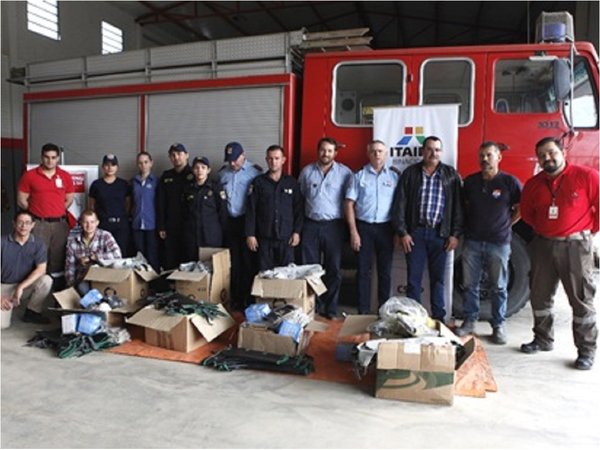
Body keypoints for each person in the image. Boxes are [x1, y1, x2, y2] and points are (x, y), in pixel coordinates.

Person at [520, 137, 598, 370]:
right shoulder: (534, 184)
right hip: (543, 245)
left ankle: (586, 351)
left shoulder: (586, 176)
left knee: (581, 299)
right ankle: (543, 339)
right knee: (539, 296)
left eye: (551, 153)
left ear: (562, 151)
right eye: (542, 155)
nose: (547, 158)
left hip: (575, 246)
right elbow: (527, 214)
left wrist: (585, 232)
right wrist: (546, 231)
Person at [455, 142, 522, 344]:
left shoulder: (510, 182)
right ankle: (469, 321)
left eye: (489, 155)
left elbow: (520, 208)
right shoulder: (471, 182)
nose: (485, 159)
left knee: (499, 286)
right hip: (473, 241)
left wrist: (506, 225)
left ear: (498, 157)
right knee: (470, 285)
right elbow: (464, 207)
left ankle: (498, 325)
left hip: (499, 243)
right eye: (482, 155)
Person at [391, 135, 463, 322]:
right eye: (430, 149)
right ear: (423, 151)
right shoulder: (411, 173)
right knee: (413, 280)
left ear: (441, 152)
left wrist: (454, 234)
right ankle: (413, 319)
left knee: (438, 280)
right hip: (415, 234)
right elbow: (400, 204)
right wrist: (403, 232)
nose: (433, 153)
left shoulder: (451, 175)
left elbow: (458, 207)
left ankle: (439, 318)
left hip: (441, 235)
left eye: (437, 149)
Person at [299, 137, 353, 319]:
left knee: (334, 270)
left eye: (330, 151)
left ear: (335, 153)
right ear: (318, 151)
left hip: (334, 227)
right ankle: (314, 305)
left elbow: (350, 201)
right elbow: (300, 199)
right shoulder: (306, 172)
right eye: (323, 150)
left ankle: (330, 307)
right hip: (310, 225)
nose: (326, 154)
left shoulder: (345, 173)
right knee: (310, 269)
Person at [345, 140, 399, 314]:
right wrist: (354, 232)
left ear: (386, 154)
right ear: (368, 154)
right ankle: (363, 311)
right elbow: (348, 204)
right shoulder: (358, 176)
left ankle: (383, 311)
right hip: (364, 229)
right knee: (363, 272)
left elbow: (399, 206)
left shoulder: (394, 177)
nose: (377, 154)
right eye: (374, 151)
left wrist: (398, 231)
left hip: (386, 228)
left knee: (385, 272)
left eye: (380, 151)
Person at [17, 142, 74, 275]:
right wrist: (37, 213)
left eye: (53, 157)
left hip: (60, 224)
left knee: (58, 257)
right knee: (36, 256)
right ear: (41, 157)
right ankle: (36, 288)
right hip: (38, 224)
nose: (50, 160)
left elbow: (69, 199)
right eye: (47, 157)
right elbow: (21, 200)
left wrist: (56, 211)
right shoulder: (29, 176)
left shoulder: (65, 176)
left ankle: (56, 289)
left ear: (58, 158)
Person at [218, 142, 262, 309]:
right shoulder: (223, 174)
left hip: (247, 222)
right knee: (233, 263)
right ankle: (235, 298)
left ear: (243, 155)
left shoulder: (255, 172)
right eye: (229, 160)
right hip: (230, 223)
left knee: (248, 262)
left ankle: (249, 299)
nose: (232, 163)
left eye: (235, 159)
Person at [246, 145, 303, 271]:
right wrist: (250, 234)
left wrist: (297, 232)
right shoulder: (258, 183)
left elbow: (298, 209)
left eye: (277, 158)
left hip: (286, 239)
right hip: (264, 239)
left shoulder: (292, 183)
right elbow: (251, 210)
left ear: (283, 160)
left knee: (287, 274)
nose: (273, 162)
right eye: (270, 159)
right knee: (265, 274)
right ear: (266, 160)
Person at [1, 211, 53, 327]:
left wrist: (20, 287)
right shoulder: (2, 242)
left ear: (33, 225)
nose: (24, 226)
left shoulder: (38, 244)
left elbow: (41, 269)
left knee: (46, 280)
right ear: (14, 224)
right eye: (20, 222)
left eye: (27, 223)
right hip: (3, 287)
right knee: (2, 325)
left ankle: (32, 312)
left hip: (24, 286)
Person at [65, 209, 122, 295]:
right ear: (80, 223)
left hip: (104, 278)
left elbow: (117, 255)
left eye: (92, 222)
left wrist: (95, 257)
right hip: (84, 278)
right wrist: (71, 287)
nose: (89, 225)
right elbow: (69, 267)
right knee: (82, 288)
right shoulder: (73, 242)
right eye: (85, 222)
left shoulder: (105, 236)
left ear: (97, 223)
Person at [182, 156, 228, 261]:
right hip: (192, 236)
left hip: (211, 236)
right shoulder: (188, 189)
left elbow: (222, 212)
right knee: (193, 268)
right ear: (193, 170)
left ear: (208, 170)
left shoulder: (216, 188)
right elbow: (184, 212)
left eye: (203, 167)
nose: (200, 171)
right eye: (196, 168)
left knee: (211, 267)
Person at [156, 143, 193, 270]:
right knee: (169, 258)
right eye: (173, 155)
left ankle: (186, 288)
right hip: (170, 226)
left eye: (179, 154)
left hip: (189, 226)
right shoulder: (166, 176)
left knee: (188, 259)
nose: (176, 157)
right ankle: (169, 288)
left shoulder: (195, 175)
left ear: (186, 155)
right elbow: (160, 202)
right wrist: (161, 225)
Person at [88, 154, 131, 256]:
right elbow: (91, 206)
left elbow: (128, 204)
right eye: (107, 165)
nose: (110, 168)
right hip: (103, 225)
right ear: (103, 167)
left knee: (121, 253)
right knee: (103, 253)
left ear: (117, 167)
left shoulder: (124, 184)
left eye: (113, 165)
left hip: (120, 225)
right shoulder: (96, 185)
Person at [131, 151, 159, 271]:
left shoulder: (156, 182)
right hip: (137, 224)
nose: (143, 165)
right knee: (139, 256)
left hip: (151, 224)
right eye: (140, 163)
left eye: (146, 162)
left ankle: (154, 285)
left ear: (151, 163)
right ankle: (140, 286)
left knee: (153, 256)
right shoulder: (133, 182)